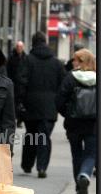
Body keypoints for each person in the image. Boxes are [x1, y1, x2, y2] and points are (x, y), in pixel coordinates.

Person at [17, 31, 66, 178]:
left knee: (31, 135)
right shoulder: (57, 63)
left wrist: (20, 101)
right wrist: (58, 103)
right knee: (44, 136)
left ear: (33, 43)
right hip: (49, 106)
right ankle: (42, 166)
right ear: (45, 42)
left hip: (31, 104)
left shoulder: (28, 60)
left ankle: (27, 164)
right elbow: (63, 84)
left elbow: (21, 82)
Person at [55, 49, 96, 194]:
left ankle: (79, 187)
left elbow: (59, 100)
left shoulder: (70, 78)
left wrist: (68, 113)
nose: (72, 62)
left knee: (76, 153)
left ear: (81, 62)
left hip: (74, 123)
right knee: (91, 153)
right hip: (94, 123)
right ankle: (85, 174)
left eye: (75, 60)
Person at [7, 41, 27, 128]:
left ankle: (19, 120)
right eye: (18, 47)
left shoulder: (26, 58)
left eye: (21, 47)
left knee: (21, 103)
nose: (19, 48)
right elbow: (8, 70)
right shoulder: (11, 57)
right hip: (13, 83)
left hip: (22, 84)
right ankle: (14, 119)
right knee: (13, 102)